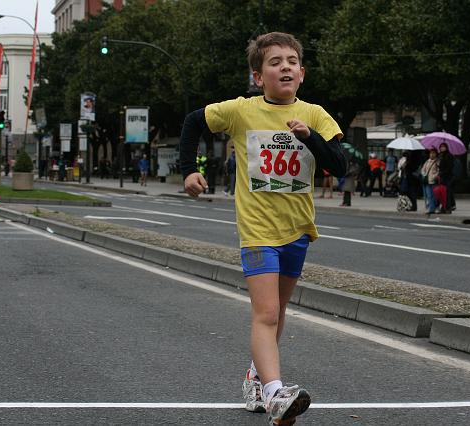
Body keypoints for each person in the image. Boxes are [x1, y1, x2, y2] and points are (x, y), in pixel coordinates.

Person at [178, 32, 346, 425]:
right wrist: (189, 170)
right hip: (256, 230)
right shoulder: (240, 111)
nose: (284, 66)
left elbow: (338, 166)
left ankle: (256, 377)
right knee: (266, 312)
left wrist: (310, 138)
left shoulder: (315, 115)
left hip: (298, 229)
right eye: (275, 62)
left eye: (291, 61)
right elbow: (192, 123)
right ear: (258, 76)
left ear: (301, 74)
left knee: (278, 311)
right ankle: (275, 394)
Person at [420, 149, 440, 216]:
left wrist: (434, 176)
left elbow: (438, 171)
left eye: (433, 153)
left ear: (436, 154)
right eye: (431, 153)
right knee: (428, 196)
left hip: (433, 181)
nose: (432, 154)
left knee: (433, 196)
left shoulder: (437, 162)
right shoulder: (427, 161)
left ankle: (432, 208)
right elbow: (423, 169)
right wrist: (424, 174)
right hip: (427, 181)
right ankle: (430, 208)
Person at [437, 142, 455, 213]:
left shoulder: (449, 156)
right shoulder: (441, 156)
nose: (442, 148)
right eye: (441, 147)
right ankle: (443, 208)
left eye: (443, 147)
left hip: (448, 177)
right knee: (441, 193)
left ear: (446, 147)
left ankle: (448, 208)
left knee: (447, 193)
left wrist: (442, 172)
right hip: (442, 177)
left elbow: (449, 167)